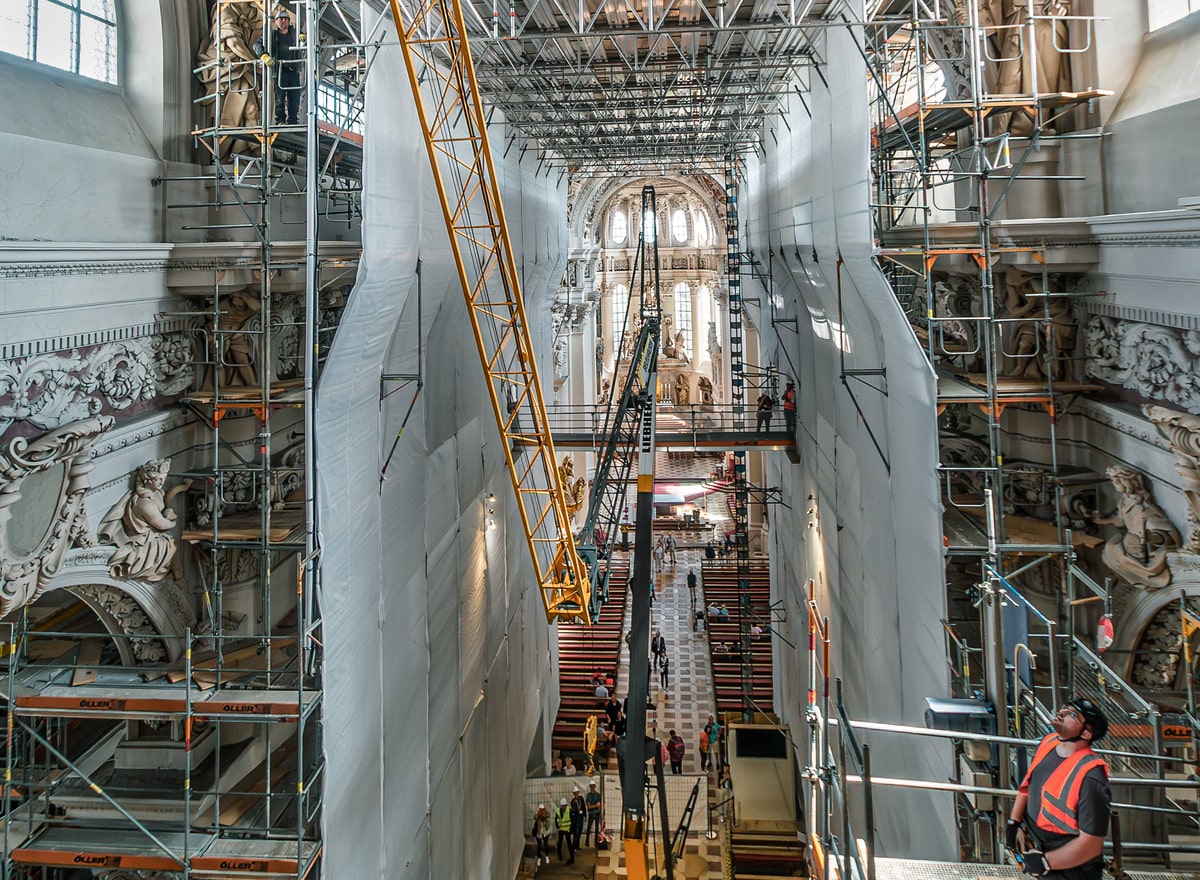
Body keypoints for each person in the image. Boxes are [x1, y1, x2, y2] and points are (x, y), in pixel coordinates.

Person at [1007, 698, 1111, 880]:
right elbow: (1027, 786)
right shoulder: (1049, 743)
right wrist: (1013, 823)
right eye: (1065, 709)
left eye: (1072, 715)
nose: (1061, 713)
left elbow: (1091, 845)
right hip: (1037, 850)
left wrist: (1046, 862)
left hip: (1068, 871)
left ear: (1086, 734)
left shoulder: (1091, 778)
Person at [253, 9, 302, 125]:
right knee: (280, 97)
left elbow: (305, 39)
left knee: (294, 97)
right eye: (281, 19)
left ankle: (293, 121)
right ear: (276, 22)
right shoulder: (272, 35)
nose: (284, 21)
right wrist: (264, 55)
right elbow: (257, 44)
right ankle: (280, 120)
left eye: (286, 19)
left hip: (293, 70)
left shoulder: (294, 33)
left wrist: (303, 37)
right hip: (280, 70)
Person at [555, 797, 575, 863]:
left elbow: (573, 821)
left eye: (564, 806)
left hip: (567, 830)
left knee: (569, 843)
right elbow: (556, 820)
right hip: (561, 830)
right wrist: (558, 827)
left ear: (566, 805)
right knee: (560, 843)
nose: (563, 807)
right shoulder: (558, 811)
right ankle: (559, 855)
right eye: (562, 806)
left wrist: (570, 830)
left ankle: (572, 858)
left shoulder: (569, 811)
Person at [585, 780, 603, 846]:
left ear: (594, 786)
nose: (592, 787)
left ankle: (596, 842)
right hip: (591, 813)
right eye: (591, 786)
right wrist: (596, 805)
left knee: (596, 828)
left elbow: (600, 804)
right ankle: (587, 841)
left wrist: (594, 806)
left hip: (596, 813)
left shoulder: (598, 795)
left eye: (593, 786)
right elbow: (589, 807)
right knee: (589, 827)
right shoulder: (588, 795)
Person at [569, 786, 586, 852]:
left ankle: (577, 846)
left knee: (579, 833)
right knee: (576, 833)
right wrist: (575, 803)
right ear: (574, 793)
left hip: (581, 817)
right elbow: (573, 810)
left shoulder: (581, 798)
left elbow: (583, 806)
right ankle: (574, 847)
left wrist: (584, 814)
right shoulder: (573, 801)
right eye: (575, 793)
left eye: (577, 792)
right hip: (576, 819)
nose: (576, 794)